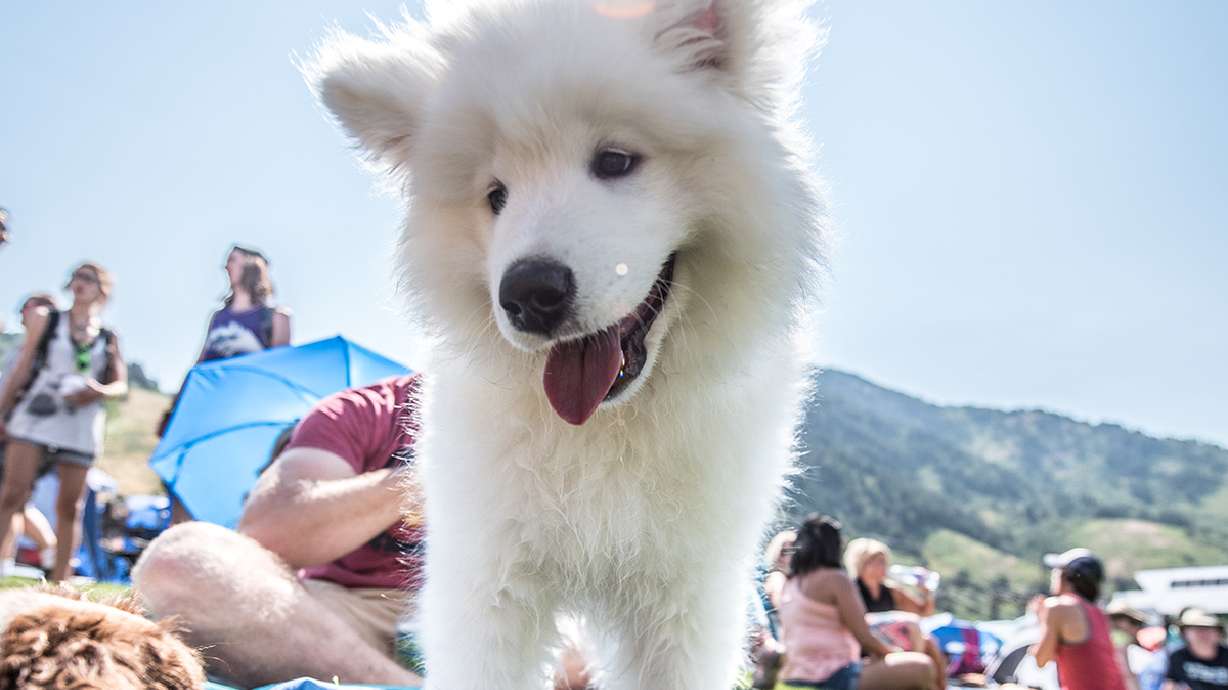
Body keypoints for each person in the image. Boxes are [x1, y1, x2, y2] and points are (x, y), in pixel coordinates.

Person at [135, 374, 424, 687]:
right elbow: (266, 533)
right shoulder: (363, 410)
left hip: (477, 609)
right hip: (347, 613)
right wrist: (418, 478)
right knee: (180, 561)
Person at [0, 263, 127, 581]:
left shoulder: (108, 336)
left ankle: (60, 581)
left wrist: (99, 391)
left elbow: (120, 384)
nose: (80, 283)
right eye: (77, 277)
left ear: (103, 290)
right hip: (35, 415)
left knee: (70, 506)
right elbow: (23, 366)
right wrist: (3, 410)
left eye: (89, 278)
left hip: (79, 424)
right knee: (13, 494)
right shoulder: (48, 320)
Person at [775, 514, 936, 690]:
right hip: (831, 675)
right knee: (922, 668)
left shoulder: (792, 581)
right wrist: (892, 654)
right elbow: (864, 637)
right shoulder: (836, 579)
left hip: (793, 675)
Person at [846, 537, 948, 687]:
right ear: (862, 564)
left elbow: (924, 612)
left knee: (930, 643)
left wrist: (927, 592)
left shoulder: (891, 591)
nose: (883, 566)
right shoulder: (851, 589)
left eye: (884, 561)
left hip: (893, 641)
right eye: (877, 561)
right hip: (866, 644)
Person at [1032, 548, 1129, 690]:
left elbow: (1041, 660)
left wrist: (1041, 617)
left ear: (1067, 575)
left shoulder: (1057, 606)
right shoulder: (1097, 612)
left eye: (1056, 570)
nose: (1053, 575)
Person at [1164, 608, 1228, 690]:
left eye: (1208, 629)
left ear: (1219, 633)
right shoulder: (1178, 656)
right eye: (1197, 629)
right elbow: (1170, 684)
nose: (1203, 634)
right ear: (1184, 633)